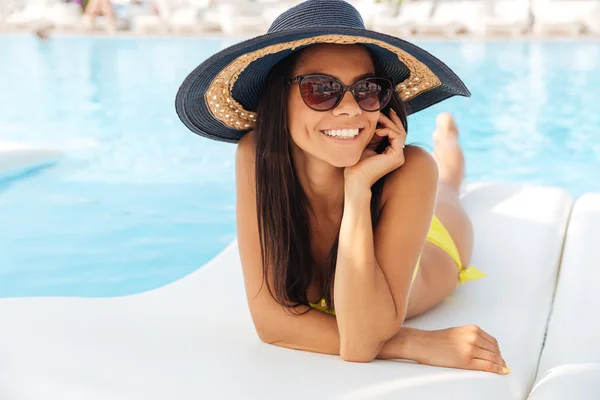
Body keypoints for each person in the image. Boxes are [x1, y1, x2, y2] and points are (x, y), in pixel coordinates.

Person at [175, 0, 508, 376]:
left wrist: (359, 188)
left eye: (366, 90)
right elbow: (272, 323)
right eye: (320, 89)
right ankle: (448, 147)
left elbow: (363, 340)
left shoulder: (410, 170)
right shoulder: (257, 156)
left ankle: (449, 148)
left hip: (432, 247)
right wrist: (412, 342)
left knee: (447, 185)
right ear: (277, 100)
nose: (351, 110)